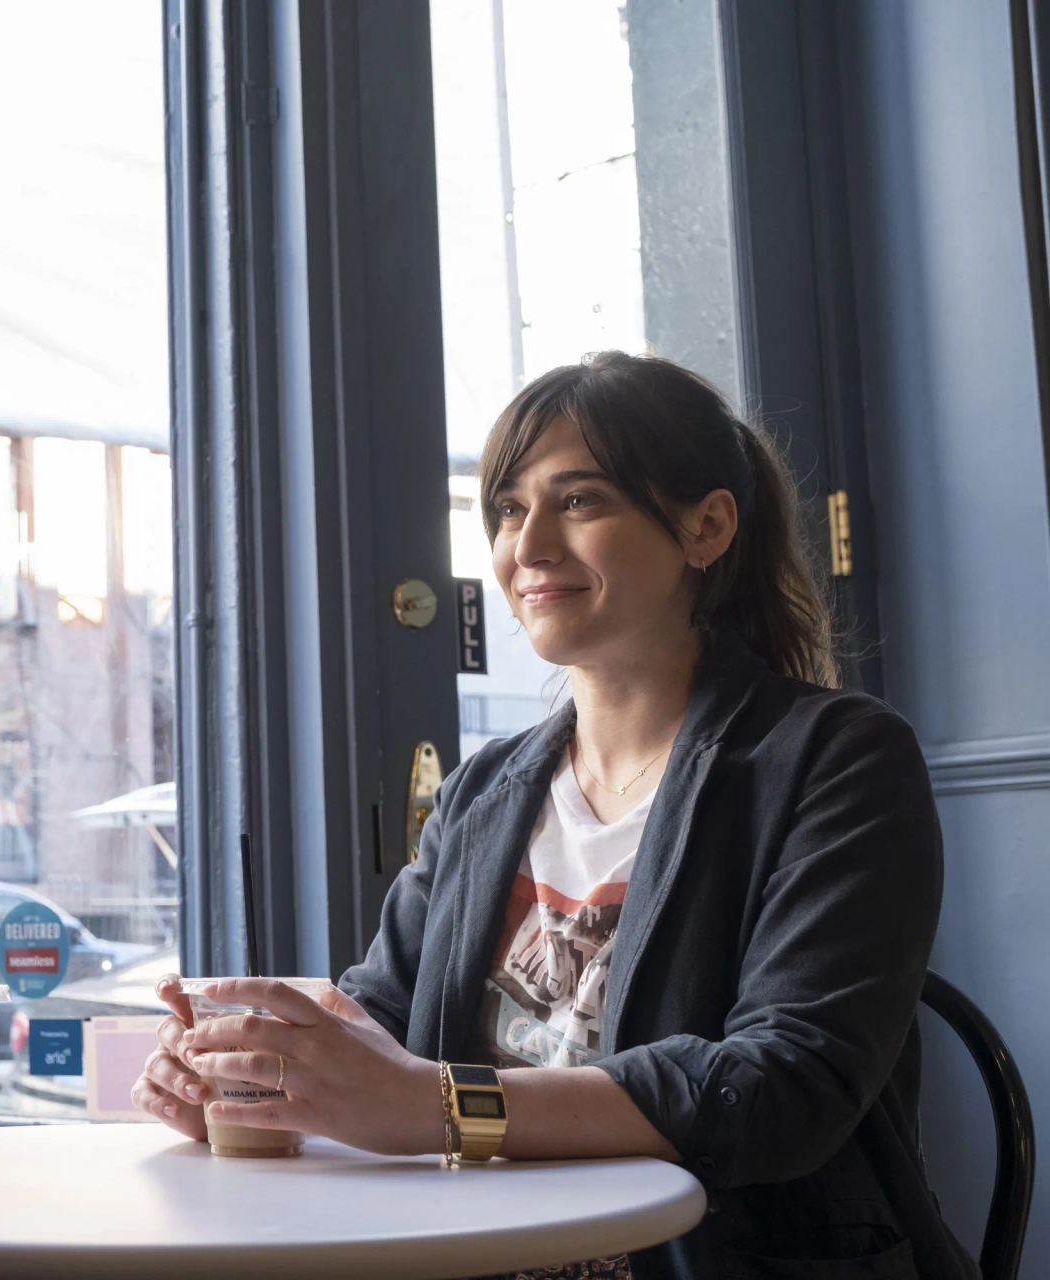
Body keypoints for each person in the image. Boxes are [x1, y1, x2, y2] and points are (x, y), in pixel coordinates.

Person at [135, 352, 973, 1280]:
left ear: (707, 526)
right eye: (506, 509)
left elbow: (781, 1086)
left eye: (578, 501)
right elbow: (381, 1016)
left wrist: (437, 1108)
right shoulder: (485, 789)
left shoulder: (836, 760)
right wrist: (257, 1074)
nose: (527, 544)